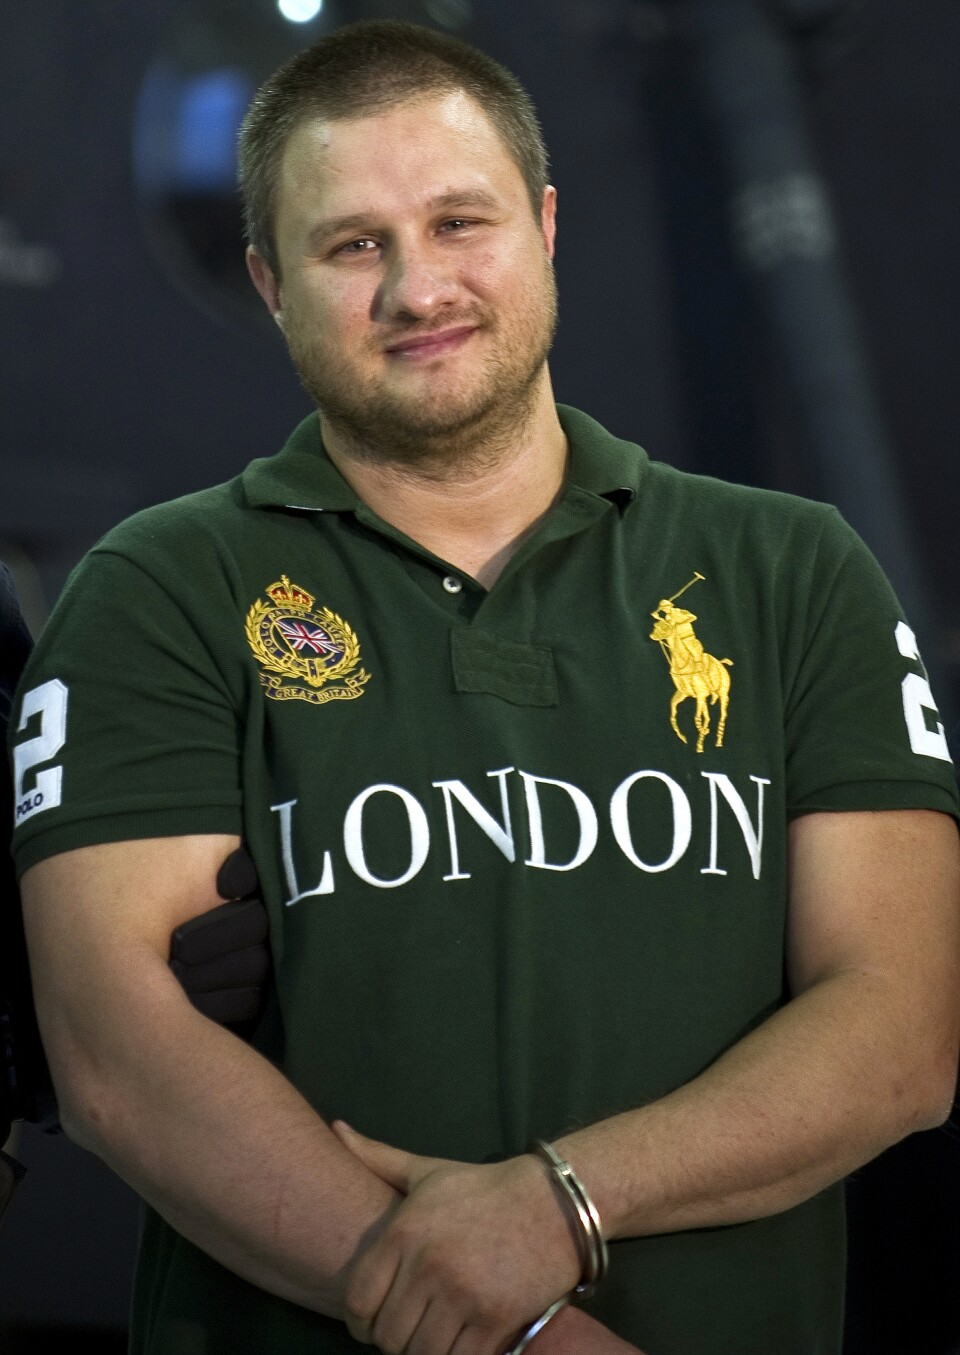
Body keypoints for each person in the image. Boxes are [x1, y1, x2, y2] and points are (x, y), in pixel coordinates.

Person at [7, 19, 960, 1355]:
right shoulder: (160, 589)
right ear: (271, 284)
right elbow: (122, 1064)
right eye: (354, 245)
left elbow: (901, 1031)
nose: (418, 287)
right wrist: (526, 1330)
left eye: (463, 222)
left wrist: (558, 1207)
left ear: (548, 224)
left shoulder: (790, 569)